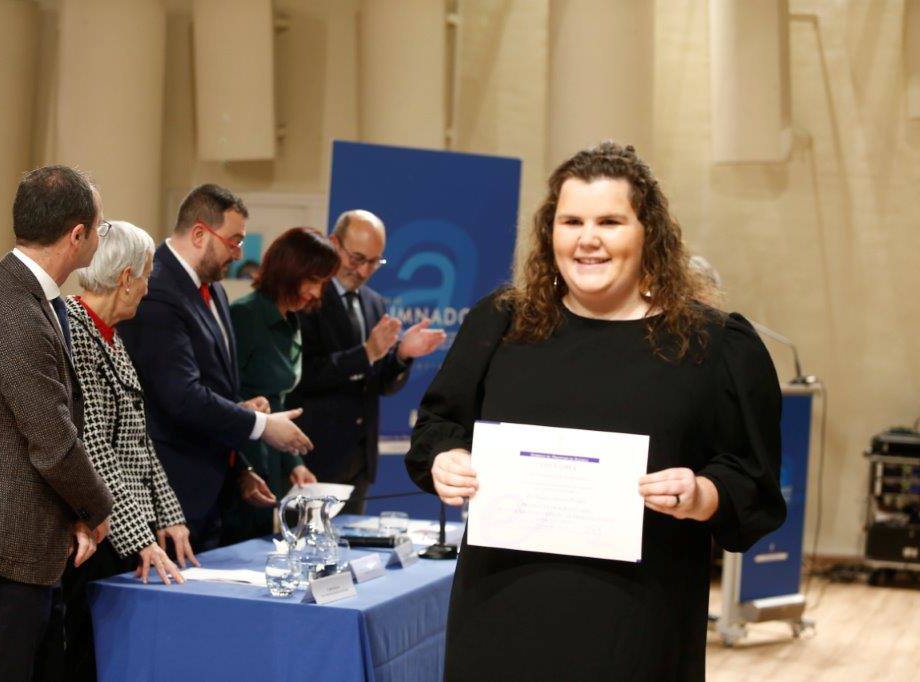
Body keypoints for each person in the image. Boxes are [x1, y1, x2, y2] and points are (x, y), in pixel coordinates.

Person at [405, 142, 787, 681]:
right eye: (572, 221)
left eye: (610, 221)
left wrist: (702, 494)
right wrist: (445, 458)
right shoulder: (499, 324)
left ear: (647, 232)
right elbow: (438, 426)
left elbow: (752, 479)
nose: (588, 239)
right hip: (500, 615)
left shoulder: (713, 344)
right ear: (550, 232)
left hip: (635, 623)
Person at [0, 165, 114, 682]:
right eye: (99, 228)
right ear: (77, 234)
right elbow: (53, 441)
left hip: (23, 542)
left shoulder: (30, 295)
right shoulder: (13, 308)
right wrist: (97, 509)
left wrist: (76, 516)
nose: (100, 239)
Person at [117, 184, 313, 552]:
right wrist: (263, 426)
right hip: (170, 496)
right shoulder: (157, 288)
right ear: (199, 234)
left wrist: (240, 469)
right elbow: (181, 397)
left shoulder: (215, 291)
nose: (238, 254)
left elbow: (218, 392)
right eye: (233, 242)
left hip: (213, 494)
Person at [61, 220, 200, 681]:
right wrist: (138, 536)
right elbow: (95, 448)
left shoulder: (111, 337)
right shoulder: (76, 333)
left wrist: (170, 515)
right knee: (87, 657)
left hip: (125, 529)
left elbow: (139, 442)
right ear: (126, 278)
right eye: (146, 276)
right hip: (101, 533)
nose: (147, 287)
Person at [288, 210, 445, 514]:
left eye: (374, 262)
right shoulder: (307, 298)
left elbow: (378, 384)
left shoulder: (375, 303)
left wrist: (402, 355)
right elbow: (304, 374)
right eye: (357, 259)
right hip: (314, 458)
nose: (363, 271)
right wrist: (366, 353)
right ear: (333, 244)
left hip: (359, 461)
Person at [223, 227, 341, 543]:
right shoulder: (245, 315)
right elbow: (222, 396)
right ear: (290, 271)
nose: (317, 293)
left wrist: (295, 464)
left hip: (272, 462)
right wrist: (243, 469)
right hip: (239, 465)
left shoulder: (291, 321)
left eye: (323, 284)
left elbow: (280, 403)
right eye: (313, 281)